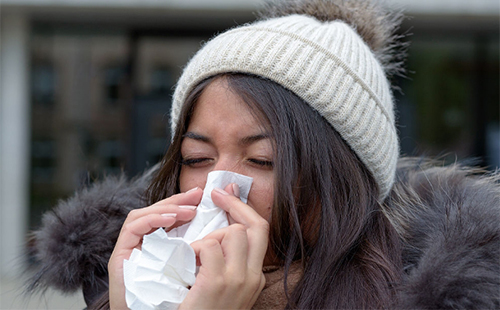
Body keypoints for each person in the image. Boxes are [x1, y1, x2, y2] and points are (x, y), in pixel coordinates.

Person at [25, 0, 500, 309]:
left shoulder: (422, 297)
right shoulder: (128, 284)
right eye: (196, 158)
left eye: (263, 160)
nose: (220, 187)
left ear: (345, 181)